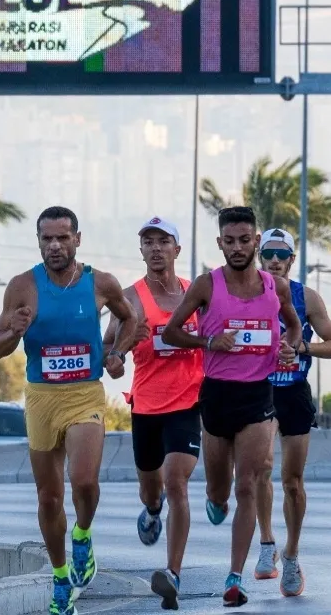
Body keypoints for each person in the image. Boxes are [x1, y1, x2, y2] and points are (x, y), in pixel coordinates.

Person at [0, 206, 139, 615]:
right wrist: (14, 331)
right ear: (38, 242)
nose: (55, 246)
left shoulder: (100, 283)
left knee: (84, 482)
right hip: (41, 398)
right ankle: (60, 578)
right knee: (49, 498)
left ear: (77, 239)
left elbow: (131, 320)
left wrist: (116, 353)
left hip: (85, 394)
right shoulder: (23, 287)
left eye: (62, 237)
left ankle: (83, 534)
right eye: (47, 239)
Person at [161, 206, 302, 607]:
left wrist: (288, 347)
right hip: (217, 397)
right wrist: (208, 342)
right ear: (220, 243)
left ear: (256, 241)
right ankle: (215, 500)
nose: (237, 248)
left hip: (258, 397)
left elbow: (293, 325)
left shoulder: (275, 288)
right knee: (220, 491)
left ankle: (234, 579)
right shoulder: (207, 285)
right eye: (230, 241)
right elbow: (171, 331)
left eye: (244, 240)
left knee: (248, 485)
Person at [103, 217, 203, 610]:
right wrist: (116, 358)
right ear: (141, 250)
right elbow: (108, 347)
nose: (156, 248)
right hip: (146, 404)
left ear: (177, 249)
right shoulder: (130, 298)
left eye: (164, 241)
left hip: (189, 402)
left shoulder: (197, 294)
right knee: (152, 488)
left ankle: (172, 573)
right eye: (149, 242)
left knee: (176, 481)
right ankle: (151, 509)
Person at [247, 228, 331, 597]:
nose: (274, 260)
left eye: (281, 254)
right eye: (268, 253)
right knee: (260, 468)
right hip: (260, 391)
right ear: (260, 257)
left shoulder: (307, 297)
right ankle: (266, 543)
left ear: (291, 259)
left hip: (294, 393)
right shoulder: (245, 294)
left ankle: (291, 555)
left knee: (292, 481)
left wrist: (303, 347)